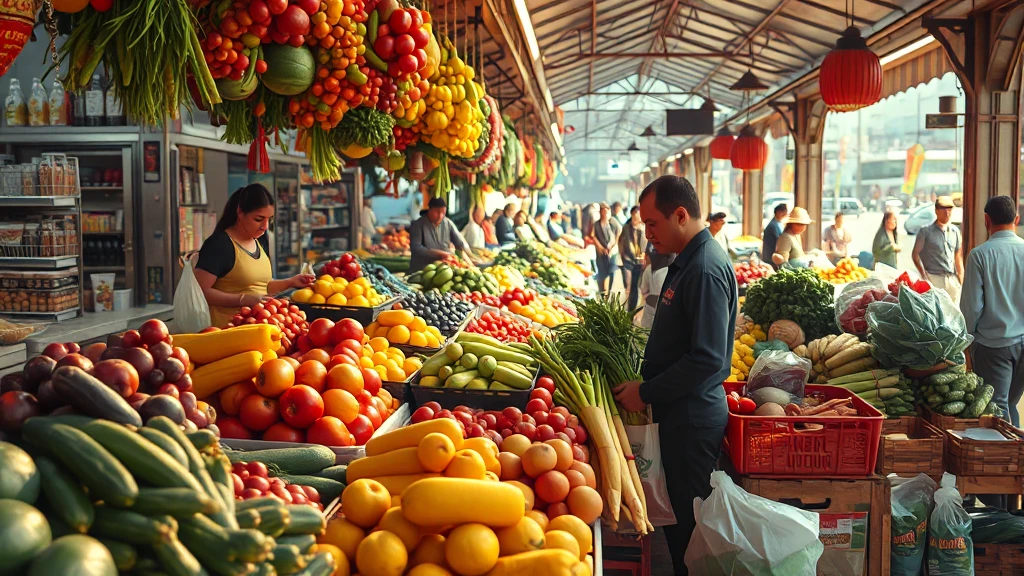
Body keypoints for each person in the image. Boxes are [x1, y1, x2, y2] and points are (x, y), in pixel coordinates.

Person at [613, 175, 736, 576]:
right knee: (682, 524)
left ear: (680, 215)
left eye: (652, 224)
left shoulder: (702, 268)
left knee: (690, 534)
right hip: (680, 415)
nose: (647, 235)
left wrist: (646, 392)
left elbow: (706, 358)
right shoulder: (687, 261)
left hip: (691, 420)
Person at [195, 184, 314, 327]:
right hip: (227, 331)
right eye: (258, 219)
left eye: (269, 219)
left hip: (259, 327)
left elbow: (262, 287)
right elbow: (200, 292)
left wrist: (290, 282)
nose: (265, 226)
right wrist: (243, 299)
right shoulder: (219, 245)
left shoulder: (259, 240)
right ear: (240, 212)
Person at [960, 195, 1024, 426]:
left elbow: (972, 307)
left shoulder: (980, 255)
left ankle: (1006, 459)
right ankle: (1016, 455)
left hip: (994, 346)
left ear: (986, 220)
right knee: (1010, 403)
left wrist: (966, 341)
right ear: (1016, 219)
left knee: (997, 406)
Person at [912, 196, 963, 303]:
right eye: (943, 210)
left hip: (951, 278)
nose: (947, 213)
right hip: (934, 277)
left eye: (949, 210)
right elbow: (915, 255)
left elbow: (958, 257)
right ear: (936, 211)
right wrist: (924, 275)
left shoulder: (955, 231)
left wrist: (961, 280)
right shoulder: (925, 231)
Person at [408, 197, 473, 273]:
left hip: (445, 269)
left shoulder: (448, 223)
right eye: (437, 212)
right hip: (422, 270)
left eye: (443, 213)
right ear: (429, 209)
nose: (440, 216)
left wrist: (470, 260)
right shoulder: (417, 225)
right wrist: (440, 254)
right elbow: (416, 248)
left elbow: (460, 244)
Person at [637, 246, 675, 329]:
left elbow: (644, 290)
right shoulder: (673, 272)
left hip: (650, 309)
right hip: (665, 313)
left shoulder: (648, 269)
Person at [619, 206, 646, 311]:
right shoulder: (626, 228)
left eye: (638, 216)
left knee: (635, 287)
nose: (635, 219)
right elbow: (620, 241)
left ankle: (632, 310)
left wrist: (644, 255)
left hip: (639, 262)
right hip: (628, 260)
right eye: (634, 216)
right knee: (629, 286)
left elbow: (648, 244)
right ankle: (627, 309)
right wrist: (622, 255)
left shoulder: (644, 229)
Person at [590, 203, 621, 295]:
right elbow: (593, 236)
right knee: (602, 273)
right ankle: (602, 292)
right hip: (601, 252)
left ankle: (609, 292)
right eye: (603, 212)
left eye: (606, 212)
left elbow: (618, 232)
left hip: (612, 252)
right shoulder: (596, 224)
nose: (605, 214)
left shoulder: (613, 222)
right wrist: (600, 247)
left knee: (611, 272)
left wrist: (612, 246)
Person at [761, 203, 787, 268]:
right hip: (771, 258)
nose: (785, 215)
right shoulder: (773, 226)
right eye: (784, 212)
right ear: (778, 212)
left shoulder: (779, 223)